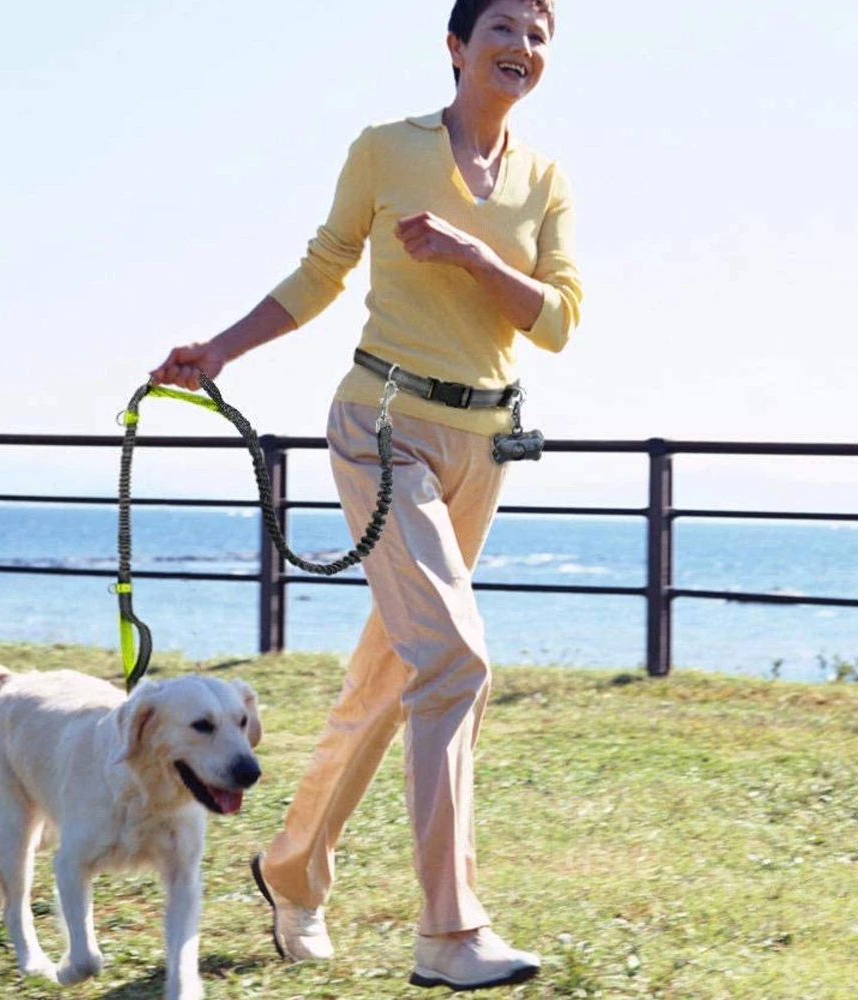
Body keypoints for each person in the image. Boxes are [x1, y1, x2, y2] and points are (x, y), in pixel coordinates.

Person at [150, 0, 581, 990]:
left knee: (392, 675)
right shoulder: (387, 149)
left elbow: (558, 321)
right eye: (502, 29)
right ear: (457, 48)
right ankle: (449, 932)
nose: (521, 48)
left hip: (485, 447)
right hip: (381, 430)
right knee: (455, 660)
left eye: (538, 35)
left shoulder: (545, 179)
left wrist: (474, 256)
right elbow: (323, 271)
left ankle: (291, 869)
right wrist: (219, 349)